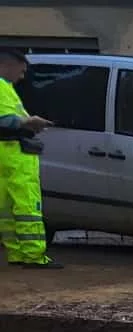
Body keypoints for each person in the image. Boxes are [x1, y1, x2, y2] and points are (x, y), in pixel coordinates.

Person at [0, 47, 59, 269]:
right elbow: (6, 120)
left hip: (5, 153)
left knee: (6, 208)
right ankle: (34, 255)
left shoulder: (6, 88)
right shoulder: (2, 87)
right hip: (16, 153)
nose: (22, 77)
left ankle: (16, 253)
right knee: (27, 206)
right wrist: (28, 122)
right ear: (7, 65)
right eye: (21, 71)